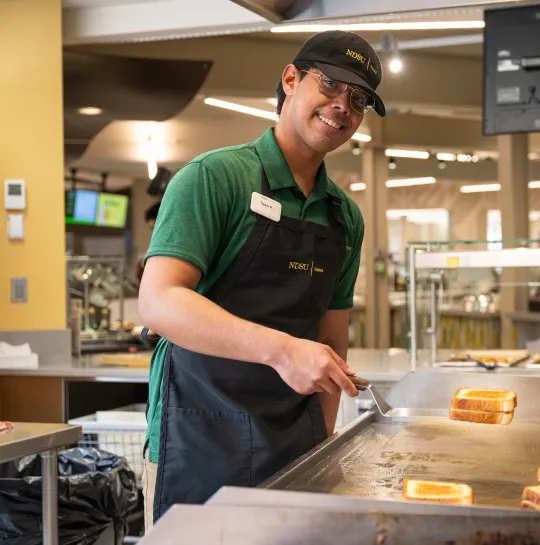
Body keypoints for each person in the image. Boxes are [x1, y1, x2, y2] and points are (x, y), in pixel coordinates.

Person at [137, 30, 385, 531]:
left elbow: (331, 338)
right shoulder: (215, 179)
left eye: (358, 100)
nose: (343, 107)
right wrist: (282, 350)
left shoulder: (344, 217)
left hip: (296, 441)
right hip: (197, 436)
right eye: (332, 86)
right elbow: (159, 302)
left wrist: (323, 440)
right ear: (290, 79)